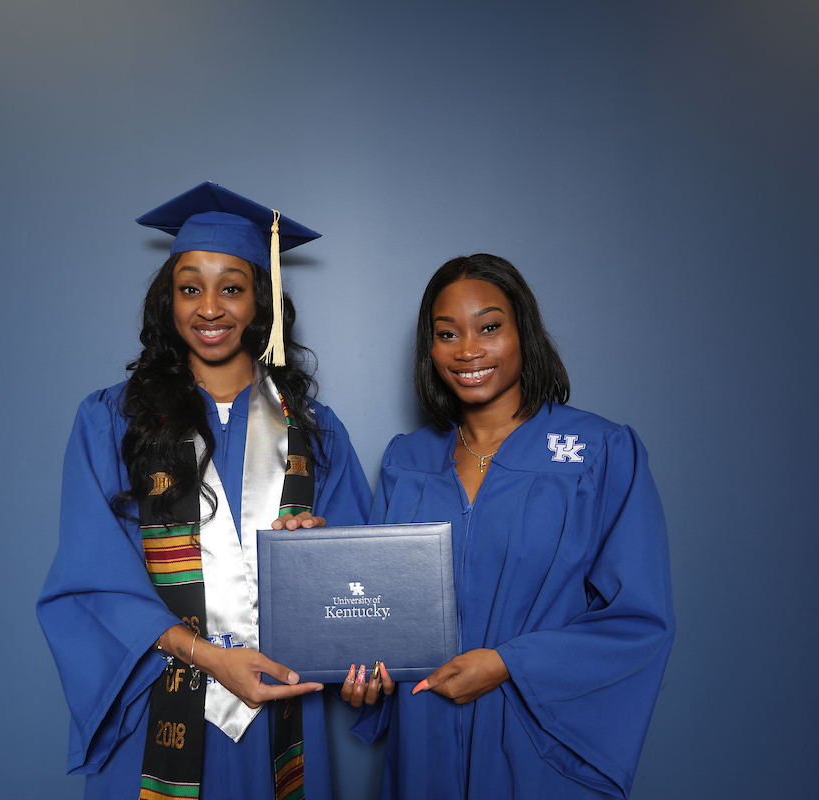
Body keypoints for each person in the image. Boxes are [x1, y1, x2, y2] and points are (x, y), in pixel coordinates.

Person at [38, 183, 372, 800]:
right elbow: (92, 576)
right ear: (167, 300)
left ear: (261, 300)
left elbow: (361, 588)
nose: (210, 308)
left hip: (280, 703)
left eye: (232, 288)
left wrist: (319, 559)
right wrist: (210, 657)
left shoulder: (315, 430)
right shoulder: (112, 420)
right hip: (156, 706)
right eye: (190, 288)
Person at [347, 254, 674, 799]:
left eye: (489, 327)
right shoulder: (408, 460)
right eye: (447, 333)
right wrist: (363, 674)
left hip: (535, 736)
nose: (468, 350)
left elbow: (638, 617)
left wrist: (508, 664)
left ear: (524, 333)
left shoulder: (598, 452)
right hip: (424, 732)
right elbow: (379, 607)